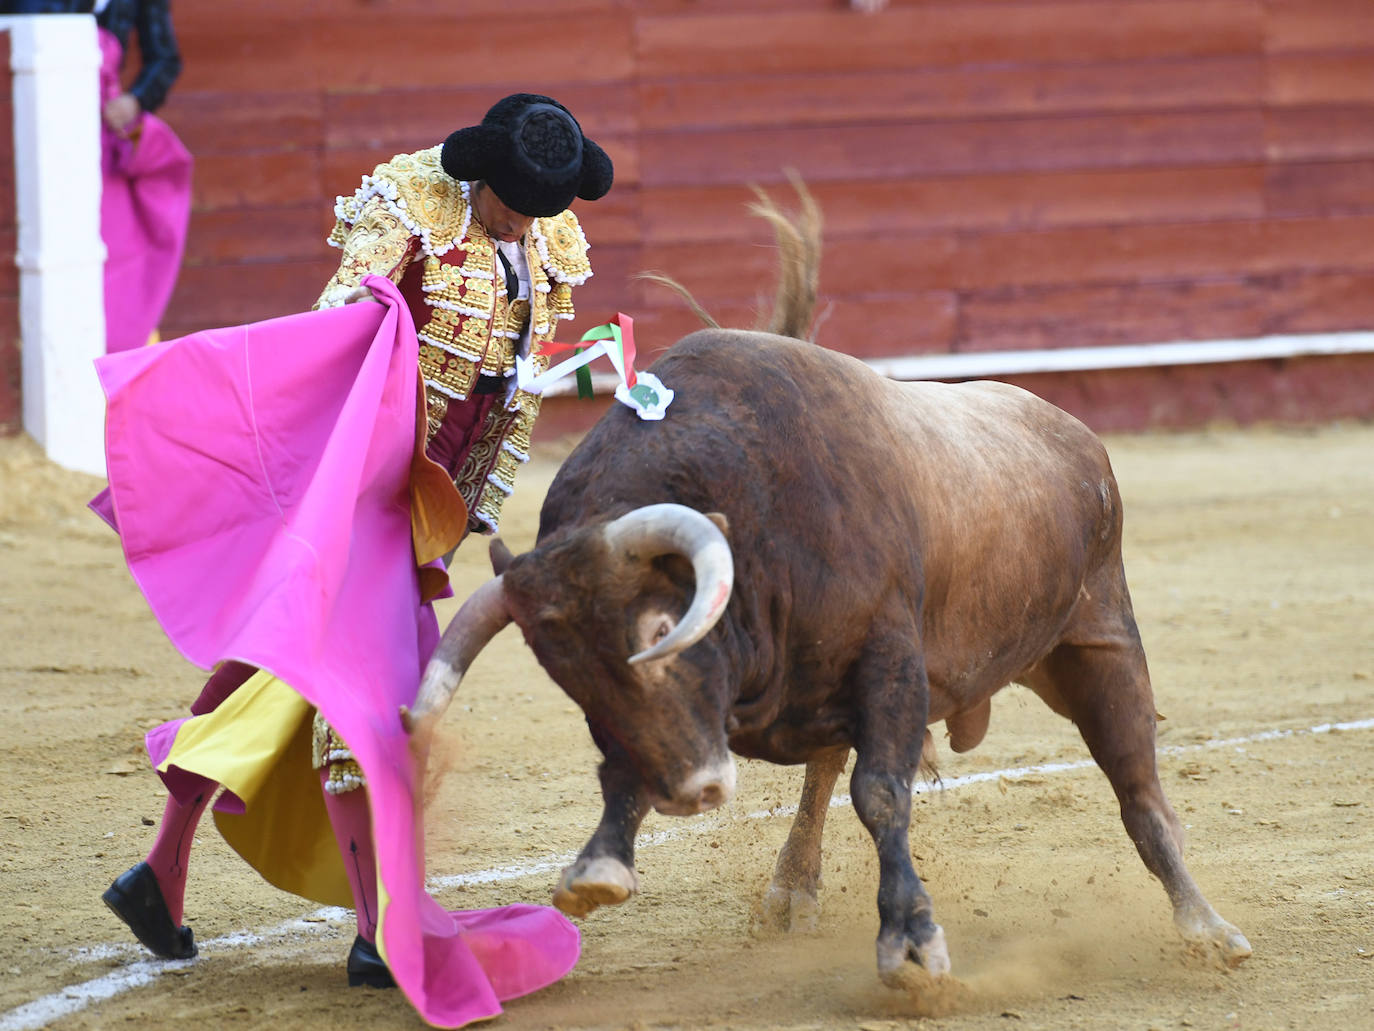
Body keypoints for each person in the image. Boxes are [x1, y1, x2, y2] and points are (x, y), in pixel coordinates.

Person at [95, 93, 613, 1028]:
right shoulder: (409, 202)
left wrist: (589, 369)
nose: (527, 221)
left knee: (279, 666)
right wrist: (378, 323)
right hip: (359, 480)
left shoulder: (546, 236)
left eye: (543, 206)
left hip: (434, 499)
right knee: (368, 691)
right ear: (481, 171)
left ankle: (159, 874)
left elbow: (510, 368)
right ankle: (378, 928)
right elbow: (336, 328)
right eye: (514, 203)